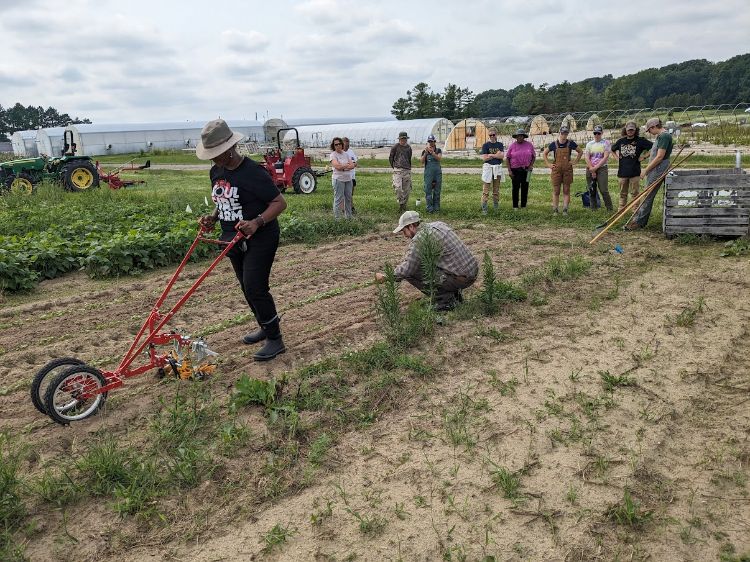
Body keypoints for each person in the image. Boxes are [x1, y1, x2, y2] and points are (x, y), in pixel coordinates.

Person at [196, 119, 288, 361]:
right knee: (246, 287)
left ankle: (275, 339)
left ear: (230, 148)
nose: (214, 159)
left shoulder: (252, 172)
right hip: (231, 238)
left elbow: (280, 203)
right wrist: (212, 218)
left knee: (256, 287)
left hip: (261, 235)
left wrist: (256, 222)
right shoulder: (216, 171)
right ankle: (264, 326)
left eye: (217, 154)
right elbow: (223, 201)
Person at [375, 211, 478, 311]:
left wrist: (386, 277)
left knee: (413, 271)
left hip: (461, 279)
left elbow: (407, 269)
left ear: (411, 226)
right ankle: (454, 296)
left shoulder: (420, 239)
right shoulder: (439, 225)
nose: (404, 235)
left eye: (403, 231)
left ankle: (445, 301)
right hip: (471, 272)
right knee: (427, 262)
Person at [626, 118, 674, 229]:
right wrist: (645, 157)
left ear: (654, 127)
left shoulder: (664, 136)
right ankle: (639, 219)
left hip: (659, 168)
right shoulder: (661, 136)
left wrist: (646, 170)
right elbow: (655, 151)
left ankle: (639, 222)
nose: (649, 133)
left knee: (648, 195)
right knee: (647, 194)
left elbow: (660, 156)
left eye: (649, 130)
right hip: (656, 168)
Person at [611, 121, 653, 211]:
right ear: (625, 130)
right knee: (623, 193)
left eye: (632, 130)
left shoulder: (640, 141)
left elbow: (654, 148)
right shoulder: (621, 141)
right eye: (628, 130)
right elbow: (612, 149)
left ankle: (635, 210)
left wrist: (644, 156)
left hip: (635, 172)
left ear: (635, 130)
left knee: (635, 193)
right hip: (622, 173)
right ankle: (621, 209)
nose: (630, 131)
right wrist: (617, 158)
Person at [543, 126, 582, 215]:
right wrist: (548, 164)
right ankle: (555, 210)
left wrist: (575, 161)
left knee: (566, 190)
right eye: (563, 133)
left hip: (567, 170)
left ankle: (565, 210)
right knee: (556, 190)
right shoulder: (554, 144)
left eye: (566, 133)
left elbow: (580, 151)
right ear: (559, 133)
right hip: (556, 170)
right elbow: (544, 153)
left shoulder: (570, 143)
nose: (564, 135)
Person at [584, 125, 613, 211]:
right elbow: (586, 157)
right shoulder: (589, 144)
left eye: (598, 133)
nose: (596, 135)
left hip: (601, 168)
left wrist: (595, 168)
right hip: (590, 168)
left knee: (603, 189)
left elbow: (605, 157)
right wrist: (591, 168)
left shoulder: (606, 143)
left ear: (601, 133)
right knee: (591, 189)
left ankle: (609, 208)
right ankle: (593, 208)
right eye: (595, 133)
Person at [505, 128, 535, 210]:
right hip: (515, 170)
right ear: (516, 137)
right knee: (515, 188)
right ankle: (515, 206)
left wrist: (531, 165)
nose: (520, 137)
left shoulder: (529, 145)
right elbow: (507, 158)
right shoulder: (512, 146)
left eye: (521, 136)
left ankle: (523, 205)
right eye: (518, 136)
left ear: (524, 137)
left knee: (525, 187)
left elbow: (533, 156)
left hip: (526, 170)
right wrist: (509, 171)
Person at [480, 128, 505, 214]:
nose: (492, 137)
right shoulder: (485, 145)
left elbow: (502, 156)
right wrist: (495, 155)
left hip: (497, 168)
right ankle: (484, 209)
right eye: (490, 135)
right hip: (488, 168)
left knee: (496, 190)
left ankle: (496, 208)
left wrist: (490, 155)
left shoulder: (500, 144)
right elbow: (484, 158)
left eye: (493, 135)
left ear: (496, 135)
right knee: (486, 189)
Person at [329, 137, 355, 219]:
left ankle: (349, 217)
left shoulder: (346, 154)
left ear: (342, 144)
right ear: (333, 146)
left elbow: (352, 165)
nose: (338, 146)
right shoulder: (333, 155)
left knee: (348, 198)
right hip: (338, 179)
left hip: (348, 178)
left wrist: (343, 167)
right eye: (336, 144)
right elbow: (337, 166)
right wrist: (345, 166)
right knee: (338, 199)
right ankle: (337, 219)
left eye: (339, 144)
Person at [389, 131, 413, 212]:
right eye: (402, 139)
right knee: (398, 188)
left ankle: (403, 206)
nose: (403, 140)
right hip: (397, 170)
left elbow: (409, 158)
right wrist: (394, 167)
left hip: (407, 170)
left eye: (405, 139)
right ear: (399, 139)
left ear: (406, 139)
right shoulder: (395, 147)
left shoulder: (409, 148)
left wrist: (409, 168)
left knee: (407, 190)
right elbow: (391, 157)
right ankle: (401, 203)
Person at [420, 134, 443, 213]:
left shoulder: (438, 150)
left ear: (434, 141)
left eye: (432, 141)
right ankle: (429, 209)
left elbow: (439, 158)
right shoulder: (425, 151)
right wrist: (426, 153)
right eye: (429, 141)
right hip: (428, 174)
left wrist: (433, 153)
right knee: (428, 191)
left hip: (437, 173)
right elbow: (422, 162)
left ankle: (436, 208)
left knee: (437, 191)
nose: (430, 143)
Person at [342, 137, 358, 214]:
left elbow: (355, 163)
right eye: (346, 145)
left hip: (351, 177)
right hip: (342, 177)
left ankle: (350, 207)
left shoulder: (351, 152)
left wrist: (349, 166)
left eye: (348, 145)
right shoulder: (339, 153)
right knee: (342, 194)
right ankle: (345, 208)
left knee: (350, 193)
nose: (347, 146)